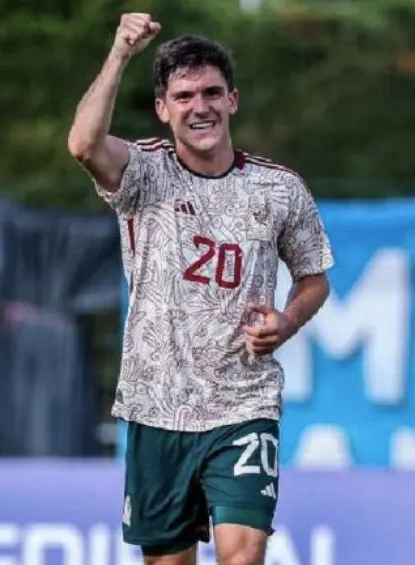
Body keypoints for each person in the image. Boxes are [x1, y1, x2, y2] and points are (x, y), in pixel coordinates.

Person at [67, 13, 334, 565]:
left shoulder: (278, 189)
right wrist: (119, 54)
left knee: (244, 554)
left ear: (233, 100)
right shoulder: (144, 174)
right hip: (156, 404)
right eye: (184, 96)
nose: (200, 106)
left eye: (212, 92)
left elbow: (314, 280)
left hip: (243, 402)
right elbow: (82, 142)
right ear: (164, 110)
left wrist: (288, 321)